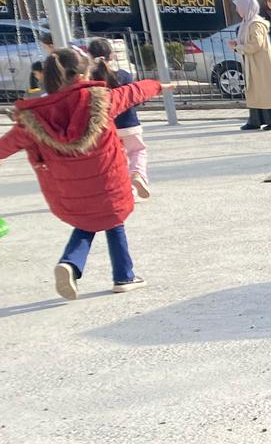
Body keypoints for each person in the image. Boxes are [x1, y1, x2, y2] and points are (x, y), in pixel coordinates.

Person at [0, 47, 163, 299]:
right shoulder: (101, 101)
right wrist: (158, 85)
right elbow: (133, 92)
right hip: (108, 182)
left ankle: (71, 263)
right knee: (113, 219)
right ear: (82, 75)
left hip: (70, 190)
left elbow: (6, 145)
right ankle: (123, 275)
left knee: (87, 223)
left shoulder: (34, 118)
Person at [86, 38, 150, 199]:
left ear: (89, 56)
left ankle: (122, 191)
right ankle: (137, 175)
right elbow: (136, 97)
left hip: (104, 128)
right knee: (137, 151)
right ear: (112, 56)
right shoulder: (124, 76)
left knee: (115, 160)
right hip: (129, 124)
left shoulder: (88, 81)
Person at [233, 0, 271, 131]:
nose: (237, 10)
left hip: (262, 64)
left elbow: (255, 45)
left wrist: (237, 47)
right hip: (254, 63)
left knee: (265, 92)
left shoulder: (256, 24)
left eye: (238, 7)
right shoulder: (247, 23)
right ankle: (255, 120)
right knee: (256, 92)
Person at [26, 30, 54, 95]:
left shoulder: (54, 60)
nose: (45, 50)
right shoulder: (51, 60)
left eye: (45, 47)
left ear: (51, 46)